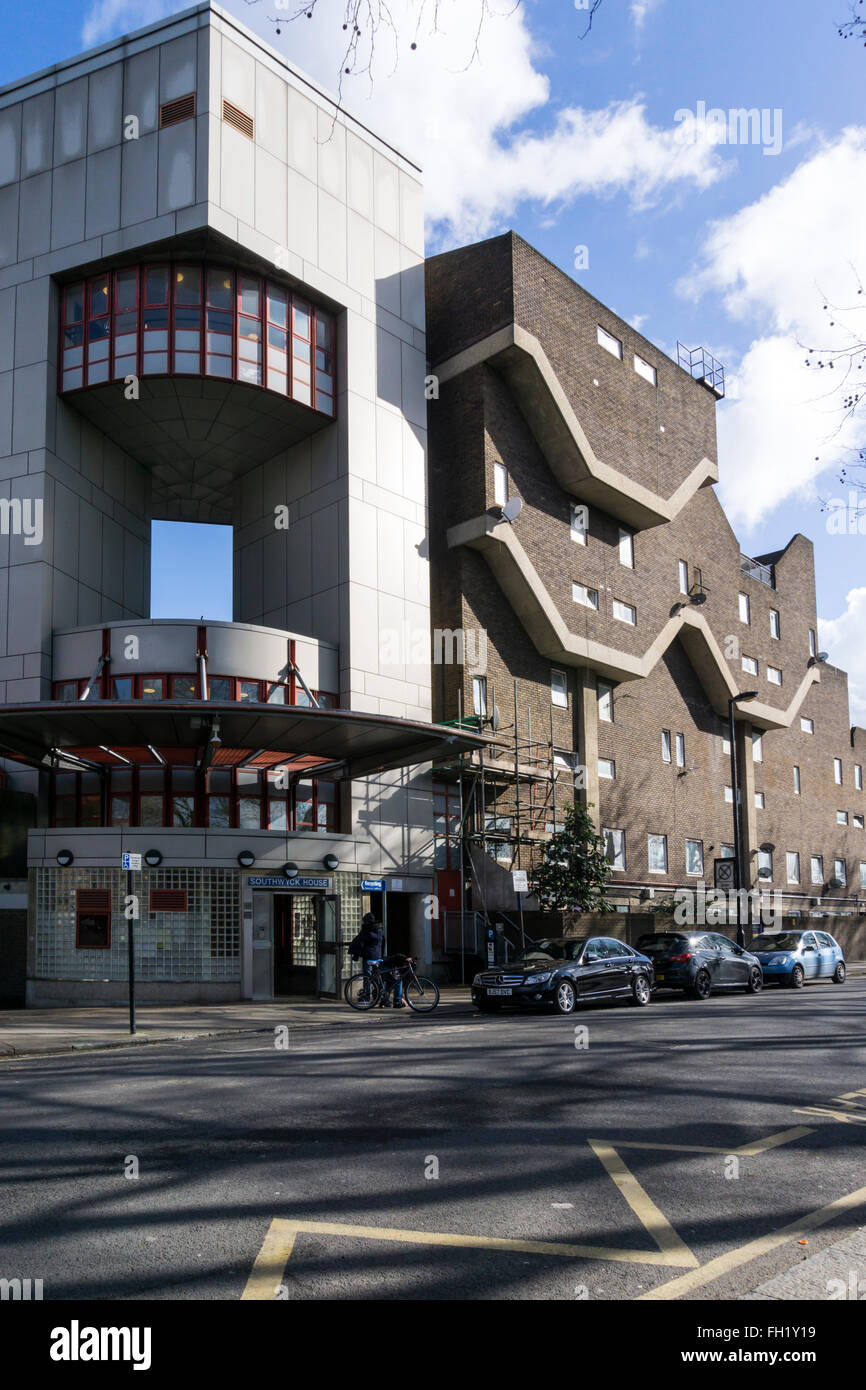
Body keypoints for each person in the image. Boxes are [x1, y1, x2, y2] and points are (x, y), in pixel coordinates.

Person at [348, 913, 385, 1003]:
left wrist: (355, 956)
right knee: (376, 977)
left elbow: (360, 943)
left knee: (367, 977)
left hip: (368, 956)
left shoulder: (366, 930)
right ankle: (379, 997)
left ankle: (366, 997)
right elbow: (383, 942)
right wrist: (381, 955)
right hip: (378, 956)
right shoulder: (380, 930)